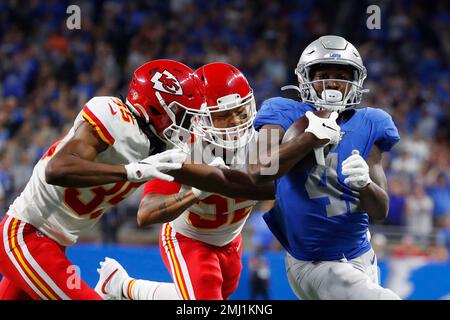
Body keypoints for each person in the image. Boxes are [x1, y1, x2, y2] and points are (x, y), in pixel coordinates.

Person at [0, 59, 204, 300]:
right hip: (27, 234)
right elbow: (57, 169)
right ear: (157, 108)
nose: (190, 124)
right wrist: (131, 171)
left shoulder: (162, 144)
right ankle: (114, 289)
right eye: (183, 115)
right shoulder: (114, 116)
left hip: (55, 244)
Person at [95, 62, 264, 300]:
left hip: (231, 239)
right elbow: (145, 214)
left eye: (241, 111)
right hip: (188, 237)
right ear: (202, 118)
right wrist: (194, 192)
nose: (236, 122)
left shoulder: (265, 140)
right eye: (224, 115)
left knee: (202, 297)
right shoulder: (185, 148)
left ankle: (122, 286)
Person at [250, 35, 401, 299]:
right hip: (313, 262)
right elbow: (260, 170)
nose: (332, 82)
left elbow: (380, 210)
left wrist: (365, 185)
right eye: (324, 74)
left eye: (341, 75)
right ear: (306, 78)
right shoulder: (282, 112)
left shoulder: (371, 122)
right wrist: (310, 137)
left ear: (355, 82)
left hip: (363, 257)